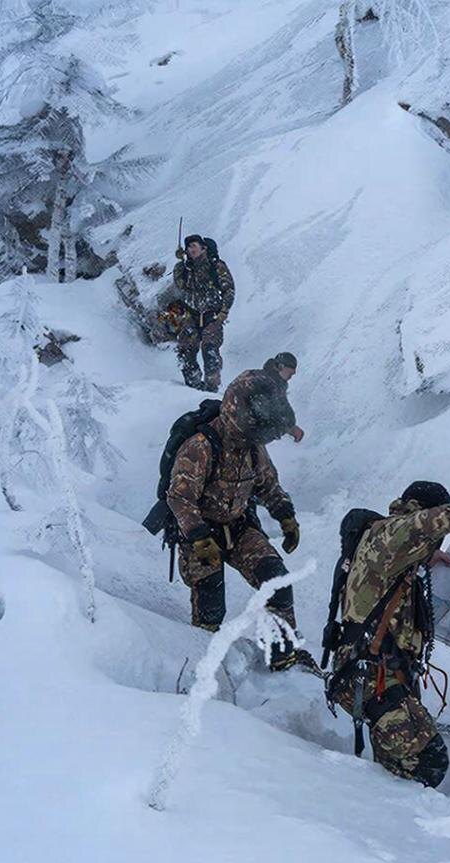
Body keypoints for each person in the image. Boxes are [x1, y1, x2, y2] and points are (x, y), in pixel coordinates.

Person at [326, 482, 450, 787]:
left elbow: (392, 561)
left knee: (399, 766)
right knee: (429, 760)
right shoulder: (388, 533)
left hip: (382, 678)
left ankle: (380, 811)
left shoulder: (390, 546)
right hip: (370, 677)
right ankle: (377, 813)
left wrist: (427, 557)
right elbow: (427, 522)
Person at [166, 367, 311, 671]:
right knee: (210, 601)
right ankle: (205, 661)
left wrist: (285, 515)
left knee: (277, 581)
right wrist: (198, 535)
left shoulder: (252, 448)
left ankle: (284, 654)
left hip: (240, 526)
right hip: (202, 533)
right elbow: (180, 497)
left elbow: (268, 484)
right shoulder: (201, 446)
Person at [159, 234, 235, 392]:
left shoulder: (216, 266)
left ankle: (211, 388)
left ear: (203, 248)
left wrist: (223, 313)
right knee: (186, 349)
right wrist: (180, 264)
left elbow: (229, 289)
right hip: (191, 314)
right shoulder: (186, 268)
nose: (190, 249)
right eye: (188, 247)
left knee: (210, 349)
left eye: (194, 245)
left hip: (212, 315)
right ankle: (192, 387)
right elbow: (180, 284)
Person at [228, 352, 305, 443]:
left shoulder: (263, 377)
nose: (291, 377)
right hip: (237, 435)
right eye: (290, 373)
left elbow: (281, 410)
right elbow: (270, 414)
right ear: (280, 367)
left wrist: (290, 426)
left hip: (233, 426)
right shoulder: (266, 384)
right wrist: (288, 428)